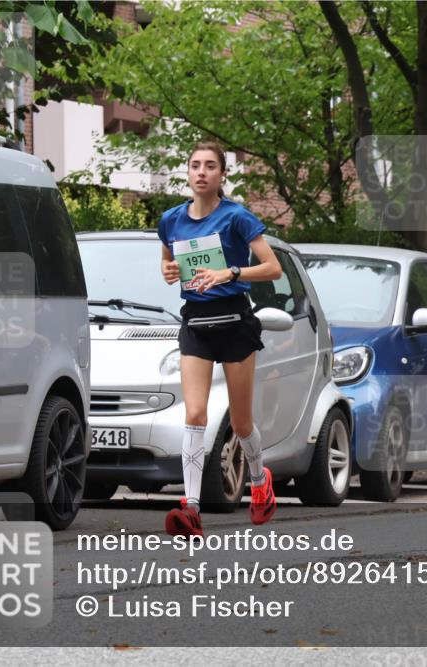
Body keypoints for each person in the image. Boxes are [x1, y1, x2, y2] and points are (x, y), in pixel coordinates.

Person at [158, 141, 283, 536]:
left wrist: (230, 273)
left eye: (210, 166)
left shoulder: (237, 218)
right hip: (196, 323)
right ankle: (191, 507)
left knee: (242, 422)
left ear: (222, 174)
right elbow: (167, 258)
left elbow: (273, 268)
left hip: (233, 324)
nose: (201, 172)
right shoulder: (171, 219)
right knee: (194, 413)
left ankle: (260, 482)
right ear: (188, 172)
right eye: (195, 165)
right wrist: (169, 271)